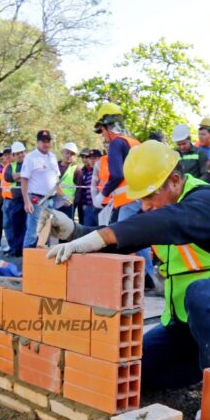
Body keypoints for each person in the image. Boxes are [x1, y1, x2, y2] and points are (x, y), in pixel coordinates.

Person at [41, 140, 210, 392]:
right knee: (132, 375)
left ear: (175, 181)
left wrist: (99, 238)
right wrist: (75, 232)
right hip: (189, 324)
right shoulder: (163, 210)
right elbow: (127, 234)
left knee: (204, 292)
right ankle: (209, 363)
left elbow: (171, 222)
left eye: (150, 195)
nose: (145, 206)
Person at [94, 104, 156, 288]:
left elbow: (117, 174)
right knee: (139, 237)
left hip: (128, 199)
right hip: (142, 197)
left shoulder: (116, 143)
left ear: (106, 126)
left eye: (102, 131)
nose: (103, 135)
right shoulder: (134, 142)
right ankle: (150, 278)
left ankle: (122, 280)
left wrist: (102, 195)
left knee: (121, 236)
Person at [22, 130, 61, 250]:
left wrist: (62, 196)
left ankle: (46, 259)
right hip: (36, 199)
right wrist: (27, 202)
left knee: (49, 230)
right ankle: (28, 259)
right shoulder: (30, 157)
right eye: (43, 141)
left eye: (48, 141)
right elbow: (24, 180)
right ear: (37, 142)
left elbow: (56, 178)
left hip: (51, 199)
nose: (46, 144)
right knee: (34, 230)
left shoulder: (53, 157)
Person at [2, 142, 27, 256]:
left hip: (29, 198)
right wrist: (23, 175)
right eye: (17, 154)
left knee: (28, 226)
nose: (20, 155)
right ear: (14, 155)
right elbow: (8, 177)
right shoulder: (10, 166)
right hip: (15, 200)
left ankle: (26, 250)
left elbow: (31, 175)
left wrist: (17, 176)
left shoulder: (29, 163)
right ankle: (17, 250)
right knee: (15, 226)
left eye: (22, 152)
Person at [73, 148, 98, 227]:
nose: (84, 159)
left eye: (86, 157)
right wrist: (83, 204)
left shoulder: (97, 169)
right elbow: (81, 189)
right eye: (82, 157)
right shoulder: (81, 171)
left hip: (97, 205)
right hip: (84, 205)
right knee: (84, 227)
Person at [57, 141, 79, 219]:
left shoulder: (76, 170)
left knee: (66, 230)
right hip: (53, 203)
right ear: (62, 152)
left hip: (68, 206)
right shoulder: (54, 166)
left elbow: (79, 190)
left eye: (72, 154)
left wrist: (73, 204)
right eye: (67, 152)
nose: (69, 155)